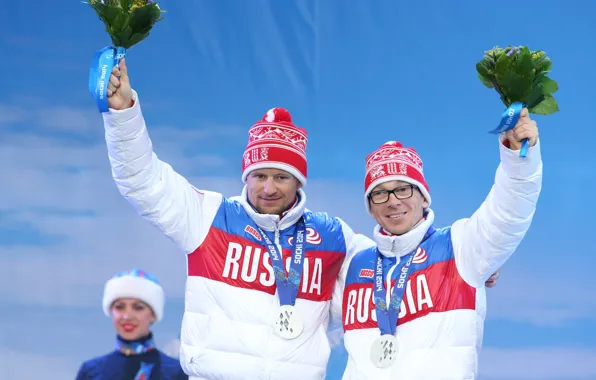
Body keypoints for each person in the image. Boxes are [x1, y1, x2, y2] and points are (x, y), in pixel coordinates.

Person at [100, 59, 502, 380]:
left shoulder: (333, 237)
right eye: (259, 176)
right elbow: (142, 181)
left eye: (281, 177)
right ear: (246, 177)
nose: (269, 188)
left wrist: (465, 267)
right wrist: (123, 117)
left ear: (299, 182)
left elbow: (396, 262)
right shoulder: (208, 217)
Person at [338, 109, 542, 379]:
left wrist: (518, 159)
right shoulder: (353, 265)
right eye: (379, 193)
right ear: (370, 209)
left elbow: (509, 211)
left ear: (424, 197)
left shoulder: (461, 247)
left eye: (403, 188)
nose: (392, 201)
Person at [76, 269, 188, 380]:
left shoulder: (176, 372)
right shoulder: (91, 372)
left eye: (138, 307)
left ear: (153, 314)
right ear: (110, 311)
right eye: (119, 307)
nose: (127, 316)